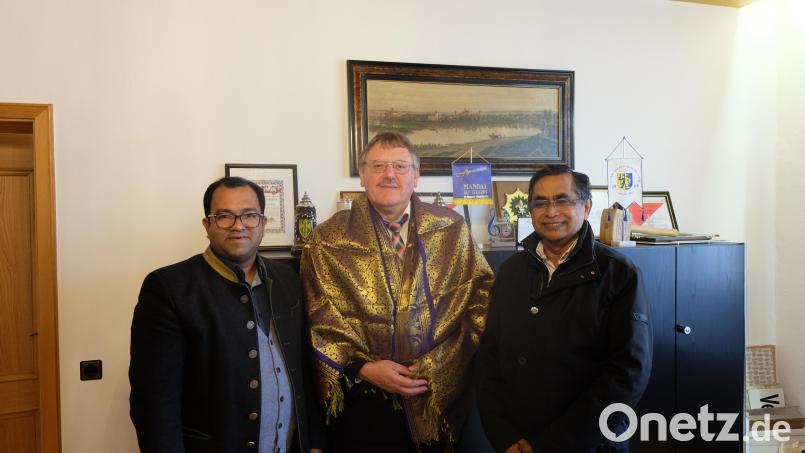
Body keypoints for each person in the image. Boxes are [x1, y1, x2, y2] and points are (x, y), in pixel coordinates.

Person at [300, 131, 494, 452]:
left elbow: (480, 300)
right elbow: (317, 313)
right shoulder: (327, 238)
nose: (390, 174)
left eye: (401, 166)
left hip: (434, 395)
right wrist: (363, 369)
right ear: (362, 175)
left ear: (416, 176)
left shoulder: (451, 228)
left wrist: (440, 363)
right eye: (378, 165)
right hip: (362, 399)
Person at [129, 176, 325, 453]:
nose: (238, 226)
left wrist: (314, 441)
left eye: (249, 215)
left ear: (263, 223)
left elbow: (304, 368)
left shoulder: (288, 277)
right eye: (224, 216)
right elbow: (154, 403)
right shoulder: (169, 288)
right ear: (207, 225)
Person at [476, 166, 653, 453]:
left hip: (588, 443)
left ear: (586, 206)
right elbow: (489, 359)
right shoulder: (511, 272)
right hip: (517, 441)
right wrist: (503, 435)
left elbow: (628, 374)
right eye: (540, 202)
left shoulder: (618, 273)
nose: (551, 211)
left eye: (562, 200)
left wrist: (549, 445)